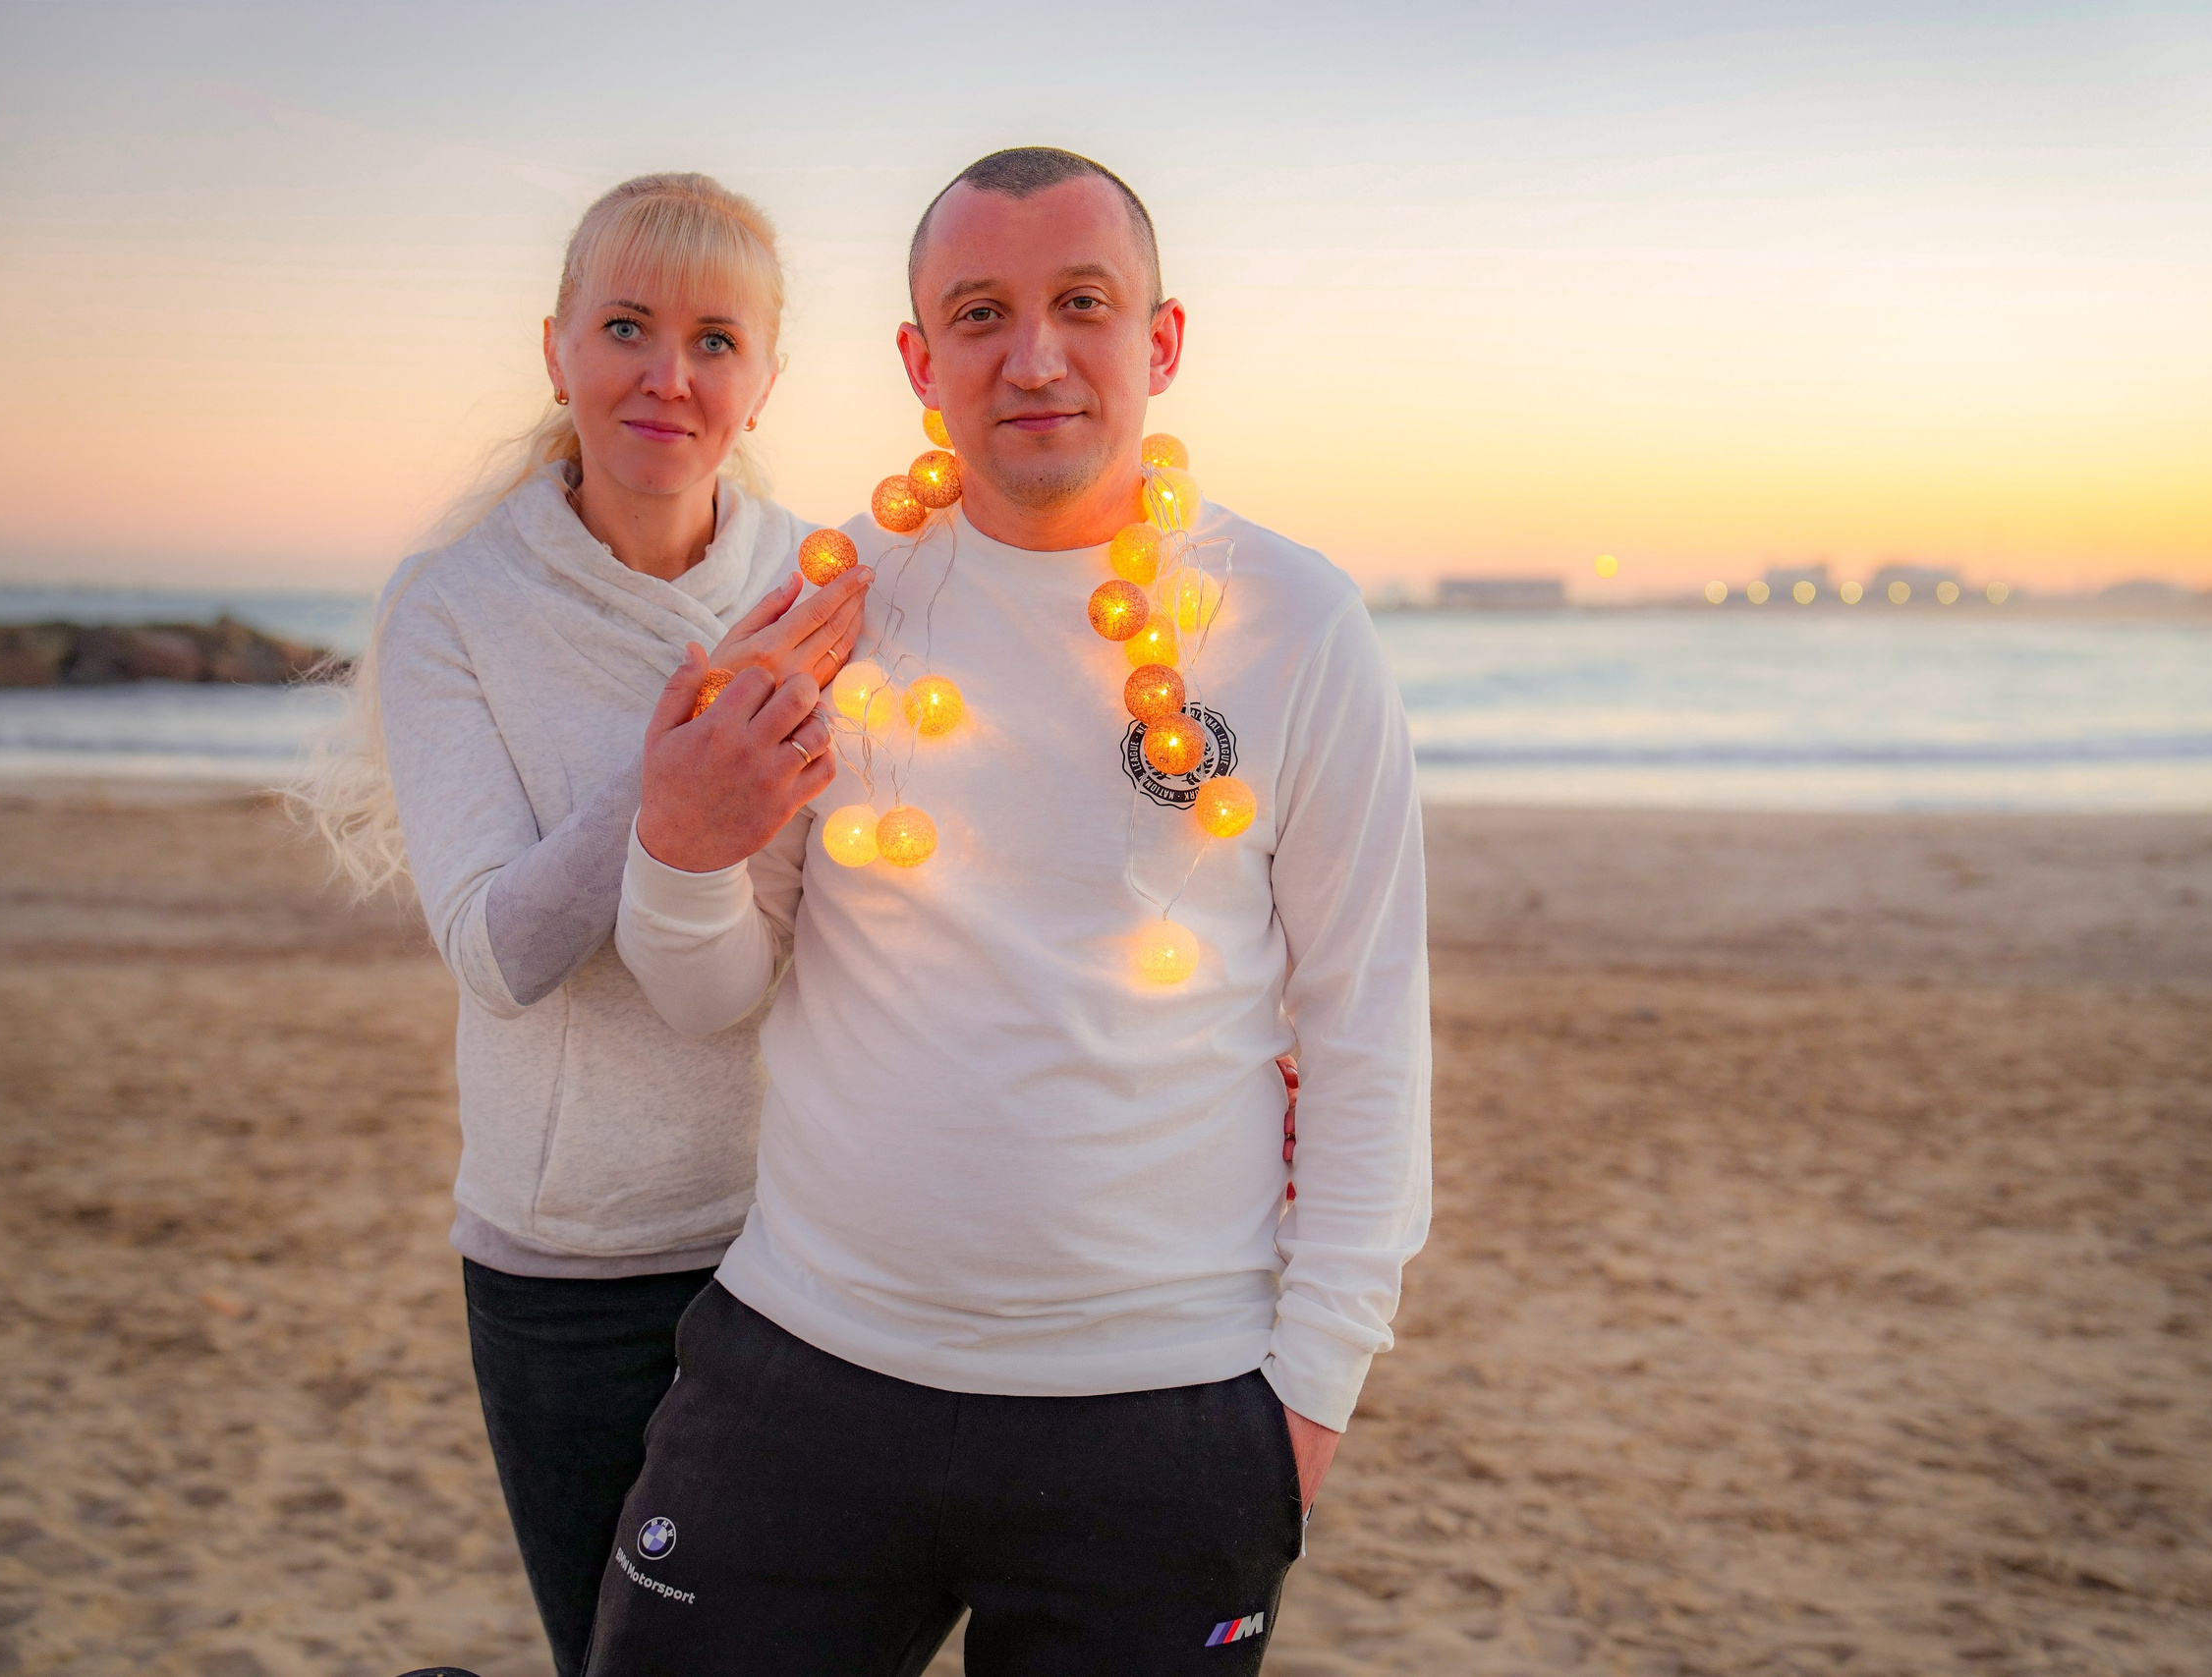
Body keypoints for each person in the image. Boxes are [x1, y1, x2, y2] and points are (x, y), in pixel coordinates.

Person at [591, 147, 1431, 1674]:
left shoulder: (1297, 624)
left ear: (1161, 341)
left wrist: (1307, 1404)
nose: (1033, 356)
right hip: (806, 1368)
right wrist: (678, 846)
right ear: (922, 362)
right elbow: (707, 991)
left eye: (1082, 304)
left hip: (1166, 1411)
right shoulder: (833, 604)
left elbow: (1368, 1026)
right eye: (980, 313)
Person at [290, 172, 867, 1677]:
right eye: (625, 327)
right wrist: (682, 762)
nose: (668, 375)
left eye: (715, 340)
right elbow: (497, 950)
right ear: (556, 348)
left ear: (767, 377)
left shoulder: (823, 585)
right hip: (573, 1270)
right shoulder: (455, 604)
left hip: (808, 1249)